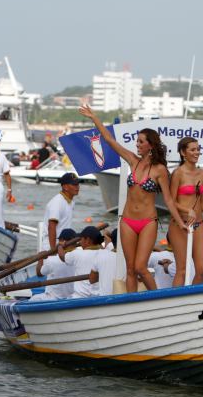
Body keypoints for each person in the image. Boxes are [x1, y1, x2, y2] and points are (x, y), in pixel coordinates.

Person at [79, 105, 187, 292]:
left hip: (147, 222)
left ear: (150, 145)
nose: (136, 145)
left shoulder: (160, 170)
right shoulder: (132, 160)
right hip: (127, 221)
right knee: (129, 270)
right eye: (136, 141)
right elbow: (109, 139)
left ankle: (158, 300)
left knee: (140, 268)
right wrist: (94, 117)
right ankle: (130, 305)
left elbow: (169, 200)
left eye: (140, 142)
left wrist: (181, 222)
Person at [168, 137, 203, 286]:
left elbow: (202, 203)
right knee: (182, 271)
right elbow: (171, 201)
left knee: (202, 271)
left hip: (198, 225)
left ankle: (191, 301)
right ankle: (175, 304)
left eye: (198, 149)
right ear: (183, 153)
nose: (197, 152)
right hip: (179, 225)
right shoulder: (178, 173)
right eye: (193, 149)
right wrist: (187, 209)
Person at [31, 228, 77, 301]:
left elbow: (39, 273)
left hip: (53, 298)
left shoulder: (52, 260)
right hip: (73, 297)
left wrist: (40, 258)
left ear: (61, 241)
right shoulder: (79, 256)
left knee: (33, 299)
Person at [57, 226, 102, 298]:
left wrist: (59, 246)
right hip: (98, 295)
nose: (80, 242)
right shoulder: (105, 253)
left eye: (81, 239)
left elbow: (62, 257)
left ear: (87, 240)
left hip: (80, 297)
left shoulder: (77, 254)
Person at [43, 173, 80, 250]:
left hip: (64, 244)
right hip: (53, 245)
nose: (77, 187)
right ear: (65, 187)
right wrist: (52, 250)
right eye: (74, 185)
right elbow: (51, 227)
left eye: (78, 184)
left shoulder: (71, 202)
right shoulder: (57, 203)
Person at [91, 228, 118, 296]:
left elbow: (92, 280)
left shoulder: (100, 254)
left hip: (104, 297)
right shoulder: (134, 256)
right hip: (125, 297)